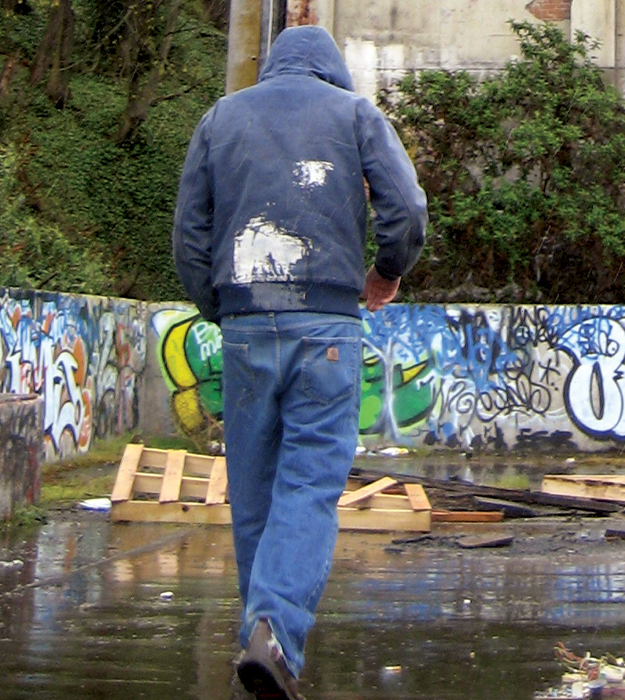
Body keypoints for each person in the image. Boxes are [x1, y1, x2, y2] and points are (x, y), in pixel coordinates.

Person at [171, 24, 426, 700]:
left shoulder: (221, 118)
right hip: (328, 329)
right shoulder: (354, 114)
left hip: (247, 325)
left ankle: (262, 642)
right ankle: (275, 638)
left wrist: (222, 306)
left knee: (254, 494)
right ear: (331, 70)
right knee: (309, 487)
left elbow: (189, 238)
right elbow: (408, 209)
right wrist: (385, 271)